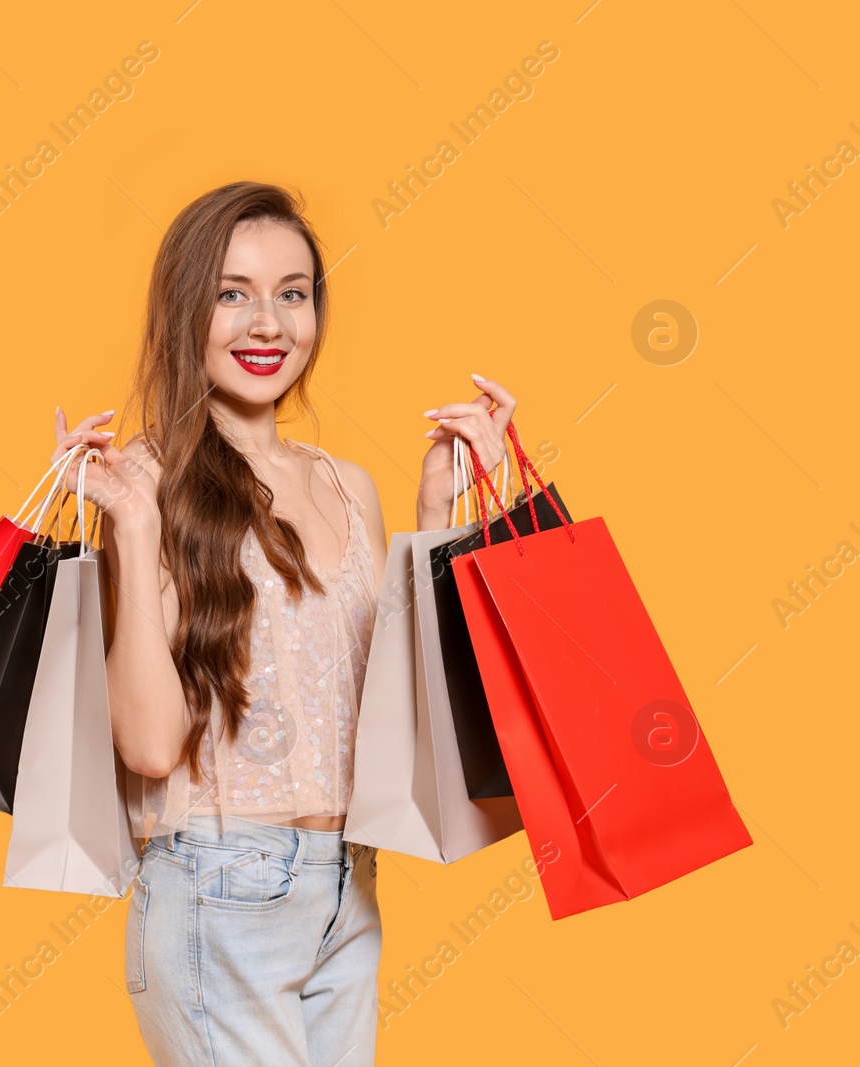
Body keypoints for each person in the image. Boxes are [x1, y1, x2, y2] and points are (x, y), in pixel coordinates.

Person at [47, 181, 517, 1066]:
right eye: (234, 293)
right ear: (188, 309)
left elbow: (395, 723)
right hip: (220, 886)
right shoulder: (149, 480)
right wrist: (137, 528)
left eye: (292, 293)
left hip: (348, 888)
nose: (268, 324)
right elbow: (149, 746)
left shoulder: (349, 485)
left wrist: (436, 514)